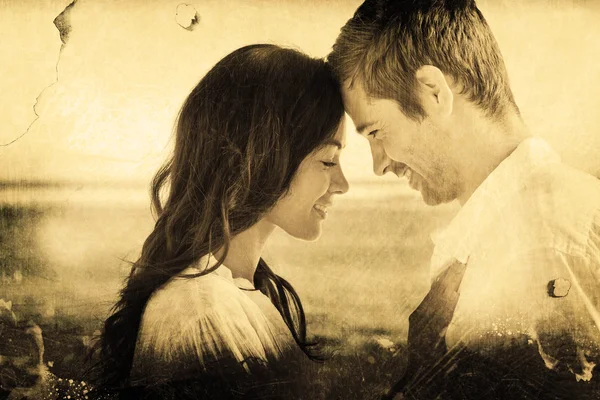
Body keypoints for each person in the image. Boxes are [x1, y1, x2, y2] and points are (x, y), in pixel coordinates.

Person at [328, 1, 600, 399]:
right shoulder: (512, 232)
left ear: (434, 93)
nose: (378, 164)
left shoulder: (542, 245)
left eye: (376, 133)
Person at [88, 44, 349, 399]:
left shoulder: (244, 295)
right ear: (265, 157)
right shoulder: (200, 314)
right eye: (328, 161)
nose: (343, 184)